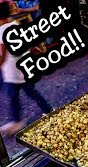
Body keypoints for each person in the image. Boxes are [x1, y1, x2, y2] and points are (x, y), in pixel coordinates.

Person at [0, 1, 51, 135]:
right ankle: (46, 110)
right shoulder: (13, 24)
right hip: (23, 65)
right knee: (27, 92)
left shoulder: (0, 31)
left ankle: (17, 121)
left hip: (12, 70)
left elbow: (2, 56)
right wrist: (34, 48)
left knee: (15, 95)